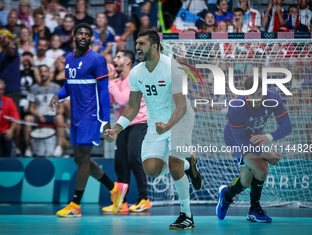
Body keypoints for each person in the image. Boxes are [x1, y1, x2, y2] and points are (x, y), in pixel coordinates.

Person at [104, 29, 203, 229]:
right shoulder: (137, 73)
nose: (137, 47)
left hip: (180, 120)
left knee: (174, 164)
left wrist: (168, 126)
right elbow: (131, 107)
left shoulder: (173, 68)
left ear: (155, 46)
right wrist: (115, 130)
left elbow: (181, 106)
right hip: (155, 123)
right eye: (137, 43)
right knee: (151, 170)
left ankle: (186, 215)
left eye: (142, 44)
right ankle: (188, 164)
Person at [49, 22, 128, 217]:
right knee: (79, 159)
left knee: (83, 159)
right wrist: (57, 96)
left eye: (87, 34)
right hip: (75, 117)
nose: (83, 37)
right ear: (74, 36)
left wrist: (106, 121)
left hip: (90, 116)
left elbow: (102, 92)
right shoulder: (69, 58)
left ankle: (75, 204)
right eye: (80, 34)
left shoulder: (97, 60)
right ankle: (114, 189)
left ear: (91, 39)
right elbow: (68, 85)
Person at [216, 76, 293, 223]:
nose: (257, 99)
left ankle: (226, 196)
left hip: (253, 137)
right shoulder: (236, 106)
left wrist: (269, 137)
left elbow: (287, 125)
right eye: (253, 95)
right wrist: (265, 154)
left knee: (245, 181)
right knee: (262, 167)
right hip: (236, 138)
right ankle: (254, 210)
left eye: (260, 94)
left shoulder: (273, 98)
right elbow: (240, 140)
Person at [102, 50, 150, 213]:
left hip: (138, 123)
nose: (115, 59)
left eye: (119, 57)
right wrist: (105, 82)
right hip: (122, 126)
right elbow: (108, 101)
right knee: (120, 163)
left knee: (134, 159)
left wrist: (110, 83)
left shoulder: (133, 79)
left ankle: (144, 199)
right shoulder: (115, 81)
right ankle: (121, 202)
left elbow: (124, 100)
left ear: (128, 61)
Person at [23, 65, 65, 157]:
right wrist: (38, 115)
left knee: (60, 118)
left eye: (45, 71)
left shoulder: (57, 88)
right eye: (41, 72)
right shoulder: (33, 88)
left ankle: (58, 147)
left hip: (52, 117)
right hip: (39, 116)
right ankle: (29, 148)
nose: (43, 74)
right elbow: (31, 108)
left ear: (49, 74)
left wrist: (59, 112)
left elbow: (61, 107)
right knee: (27, 118)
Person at [0, 29, 21, 111]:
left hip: (12, 90)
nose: (2, 40)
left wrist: (7, 45)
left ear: (10, 39)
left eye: (5, 37)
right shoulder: (0, 54)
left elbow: (11, 52)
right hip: (2, 90)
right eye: (0, 38)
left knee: (14, 116)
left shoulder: (14, 50)